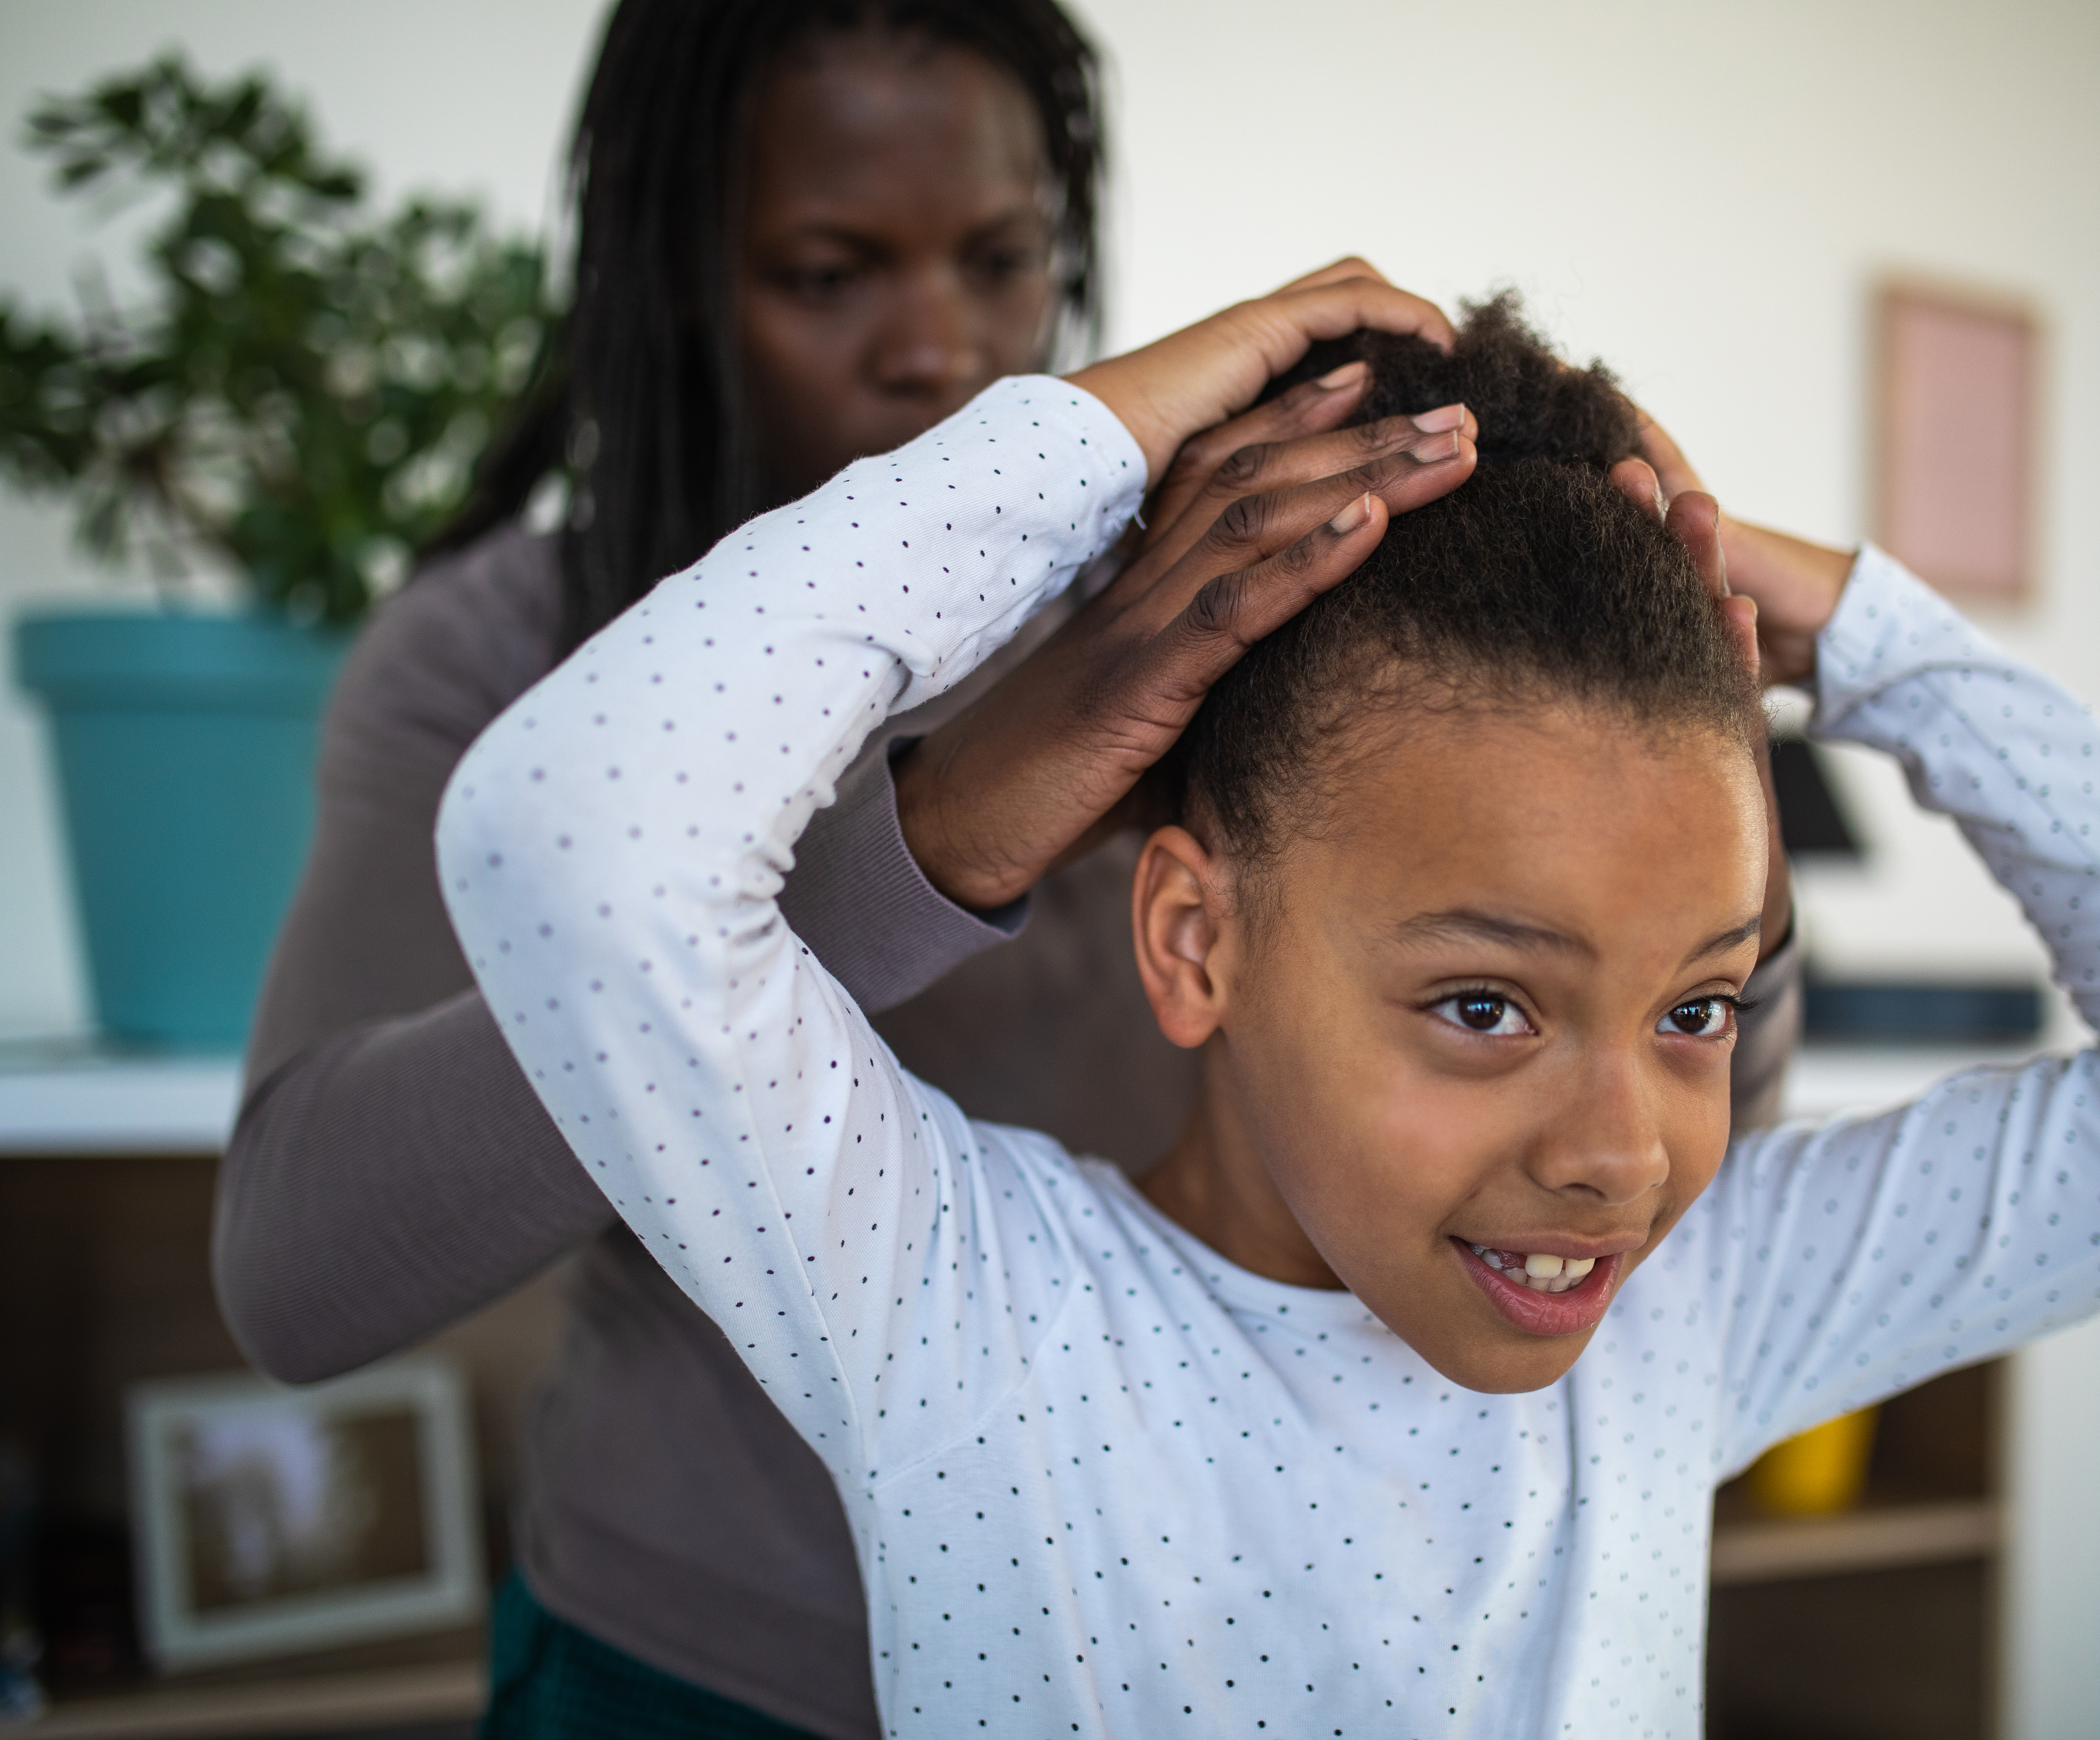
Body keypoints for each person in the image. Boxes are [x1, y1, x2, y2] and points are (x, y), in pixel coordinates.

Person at [435, 294, 2100, 1736]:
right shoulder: (959, 1302)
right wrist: (1094, 450)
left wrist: (1864, 635)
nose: (1622, 1154)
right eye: (1486, 1003)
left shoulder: (1678, 1323)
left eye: (1701, 1007)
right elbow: (563, 837)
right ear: (1196, 940)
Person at [213, 9, 1809, 1740]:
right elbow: (301, 1273)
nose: (943, 346)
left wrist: (1704, 800)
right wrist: (945, 825)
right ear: (681, 275)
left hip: (1174, 1664)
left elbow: (1653, 1144)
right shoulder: (522, 662)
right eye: (832, 272)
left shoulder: (1226, 597)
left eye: (1004, 261)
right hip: (696, 1671)